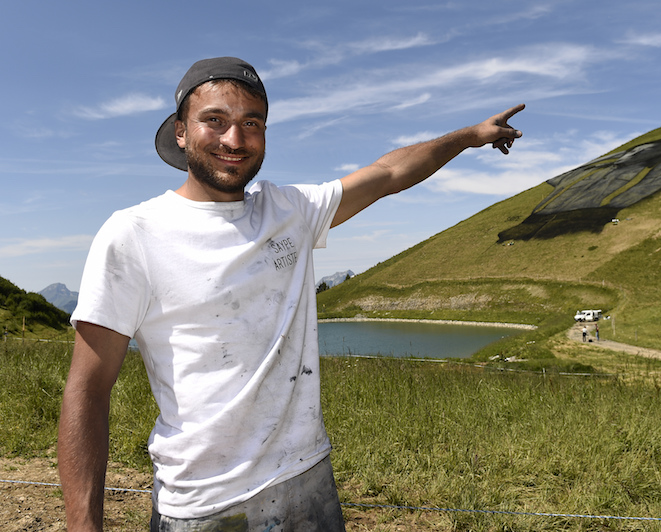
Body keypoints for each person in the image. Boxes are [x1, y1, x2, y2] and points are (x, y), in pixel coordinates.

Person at [57, 56, 524, 531]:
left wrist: (467, 137)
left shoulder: (290, 210)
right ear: (181, 131)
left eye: (251, 123)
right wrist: (82, 525)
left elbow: (388, 174)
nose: (234, 140)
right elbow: (87, 391)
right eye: (214, 120)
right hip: (206, 505)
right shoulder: (134, 233)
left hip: (309, 481)